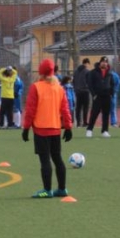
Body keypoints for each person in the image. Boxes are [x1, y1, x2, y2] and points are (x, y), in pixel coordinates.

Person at [22, 59, 73, 198]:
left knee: (45, 160)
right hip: (55, 128)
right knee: (57, 158)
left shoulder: (36, 87)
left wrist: (26, 128)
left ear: (41, 72)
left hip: (41, 129)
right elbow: (65, 109)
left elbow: (30, 110)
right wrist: (68, 127)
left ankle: (47, 190)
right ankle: (62, 189)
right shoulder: (59, 88)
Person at [85, 57, 115, 138]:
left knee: (106, 114)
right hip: (97, 96)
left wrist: (111, 93)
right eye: (103, 62)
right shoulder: (93, 72)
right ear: (100, 62)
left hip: (107, 96)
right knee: (94, 113)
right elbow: (90, 84)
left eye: (106, 62)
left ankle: (105, 130)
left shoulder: (110, 73)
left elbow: (112, 84)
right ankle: (89, 130)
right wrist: (94, 94)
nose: (104, 63)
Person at [72, 58, 91, 127]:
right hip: (85, 91)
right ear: (86, 63)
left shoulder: (76, 71)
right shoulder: (87, 71)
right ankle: (85, 122)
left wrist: (75, 88)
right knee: (85, 107)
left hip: (77, 91)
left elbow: (73, 81)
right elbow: (89, 81)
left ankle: (78, 122)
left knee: (78, 107)